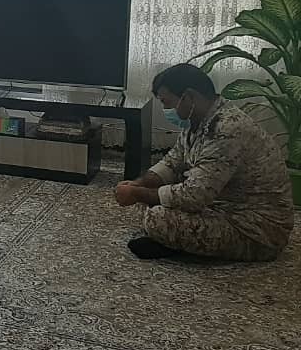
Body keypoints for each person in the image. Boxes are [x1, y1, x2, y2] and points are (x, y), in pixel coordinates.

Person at [115, 64, 294, 261]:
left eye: (167, 103)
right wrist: (138, 184)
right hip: (220, 205)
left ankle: (179, 245)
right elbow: (172, 162)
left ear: (188, 97)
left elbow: (194, 196)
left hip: (256, 229)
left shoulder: (227, 129)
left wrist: (137, 193)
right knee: (146, 202)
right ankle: (179, 242)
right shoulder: (198, 120)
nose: (166, 110)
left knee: (157, 218)